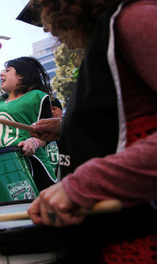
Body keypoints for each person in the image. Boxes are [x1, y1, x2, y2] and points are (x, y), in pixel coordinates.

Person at [25, 0, 157, 262]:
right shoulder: (106, 41)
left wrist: (85, 184)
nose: (45, 27)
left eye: (43, 9)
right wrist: (66, 128)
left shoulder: (137, 20)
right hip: (103, 237)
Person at [0, 56, 57, 190]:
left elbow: (47, 136)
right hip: (4, 163)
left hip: (32, 162)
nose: (1, 73)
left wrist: (33, 142)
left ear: (21, 75)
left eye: (8, 70)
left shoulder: (38, 96)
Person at [43, 98, 62, 176]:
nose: (52, 112)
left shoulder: (70, 128)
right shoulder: (42, 132)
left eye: (54, 108)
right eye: (49, 109)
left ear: (61, 110)